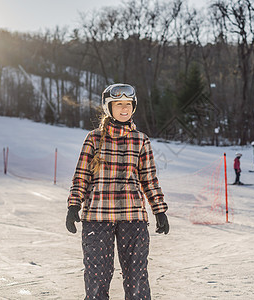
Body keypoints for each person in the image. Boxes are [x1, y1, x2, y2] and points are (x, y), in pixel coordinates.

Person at [66, 83, 169, 299]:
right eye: (119, 104)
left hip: (133, 217)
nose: (124, 109)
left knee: (136, 276)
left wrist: (159, 210)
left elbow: (149, 179)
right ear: (108, 107)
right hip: (97, 216)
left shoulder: (141, 140)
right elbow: (82, 175)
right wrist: (74, 204)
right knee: (97, 277)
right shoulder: (93, 138)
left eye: (128, 104)